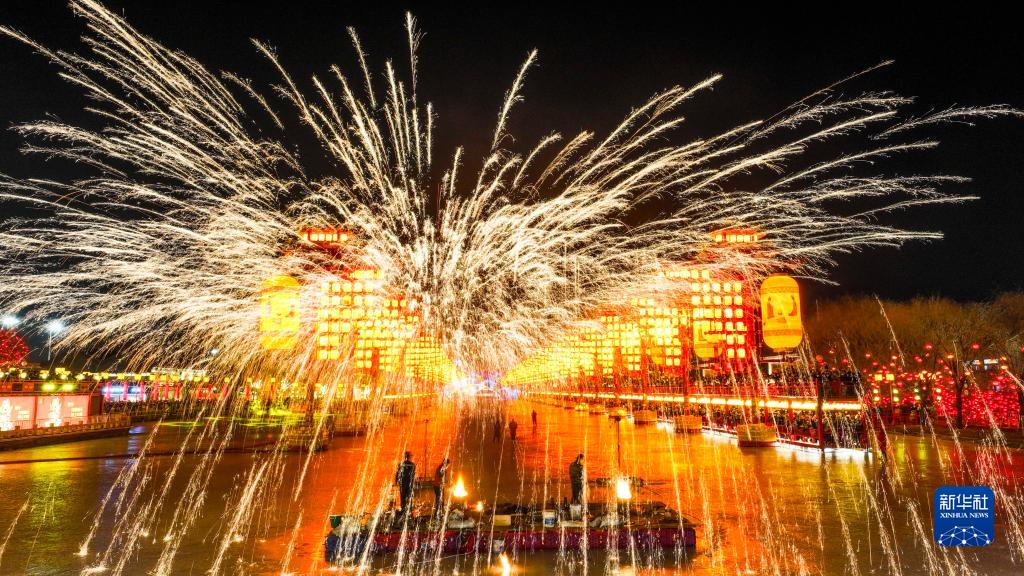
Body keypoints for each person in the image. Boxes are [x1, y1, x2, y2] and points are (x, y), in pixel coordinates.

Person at [395, 451, 416, 516]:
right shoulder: (412, 465)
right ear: (409, 456)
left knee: (403, 498)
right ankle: (409, 511)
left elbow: (398, 474)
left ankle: (403, 511)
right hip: (409, 484)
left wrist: (396, 482)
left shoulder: (401, 464)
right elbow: (413, 475)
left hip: (402, 484)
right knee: (409, 498)